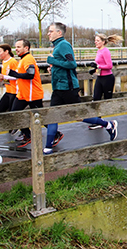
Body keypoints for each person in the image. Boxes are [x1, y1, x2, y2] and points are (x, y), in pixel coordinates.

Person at [0, 39, 44, 148]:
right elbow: (21, 76)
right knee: (15, 113)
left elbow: (30, 75)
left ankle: (56, 133)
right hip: (23, 94)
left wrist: (15, 74)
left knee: (42, 117)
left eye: (19, 47)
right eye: (16, 47)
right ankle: (27, 134)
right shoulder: (22, 60)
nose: (16, 49)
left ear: (26, 48)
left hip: (32, 94)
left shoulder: (28, 59)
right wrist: (8, 76)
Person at [44, 22, 81, 154]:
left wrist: (52, 61)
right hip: (58, 87)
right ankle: (48, 146)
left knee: (80, 115)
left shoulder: (64, 45)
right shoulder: (57, 46)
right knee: (52, 115)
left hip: (68, 87)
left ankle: (108, 125)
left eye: (51, 31)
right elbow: (62, 65)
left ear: (59, 33)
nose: (48, 33)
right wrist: (53, 70)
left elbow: (72, 64)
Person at [82, 33, 122, 141]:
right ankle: (98, 121)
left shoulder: (105, 51)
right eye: (95, 40)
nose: (96, 42)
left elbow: (109, 65)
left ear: (103, 42)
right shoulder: (99, 51)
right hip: (100, 77)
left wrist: (98, 66)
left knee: (108, 101)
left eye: (98, 40)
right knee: (96, 99)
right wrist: (94, 70)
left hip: (108, 78)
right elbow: (99, 65)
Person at [0, 44, 18, 118]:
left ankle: (16, 129)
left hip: (15, 92)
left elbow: (17, 76)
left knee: (13, 115)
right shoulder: (3, 62)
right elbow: (7, 77)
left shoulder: (13, 62)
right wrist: (2, 78)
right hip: (8, 90)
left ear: (6, 51)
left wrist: (4, 76)